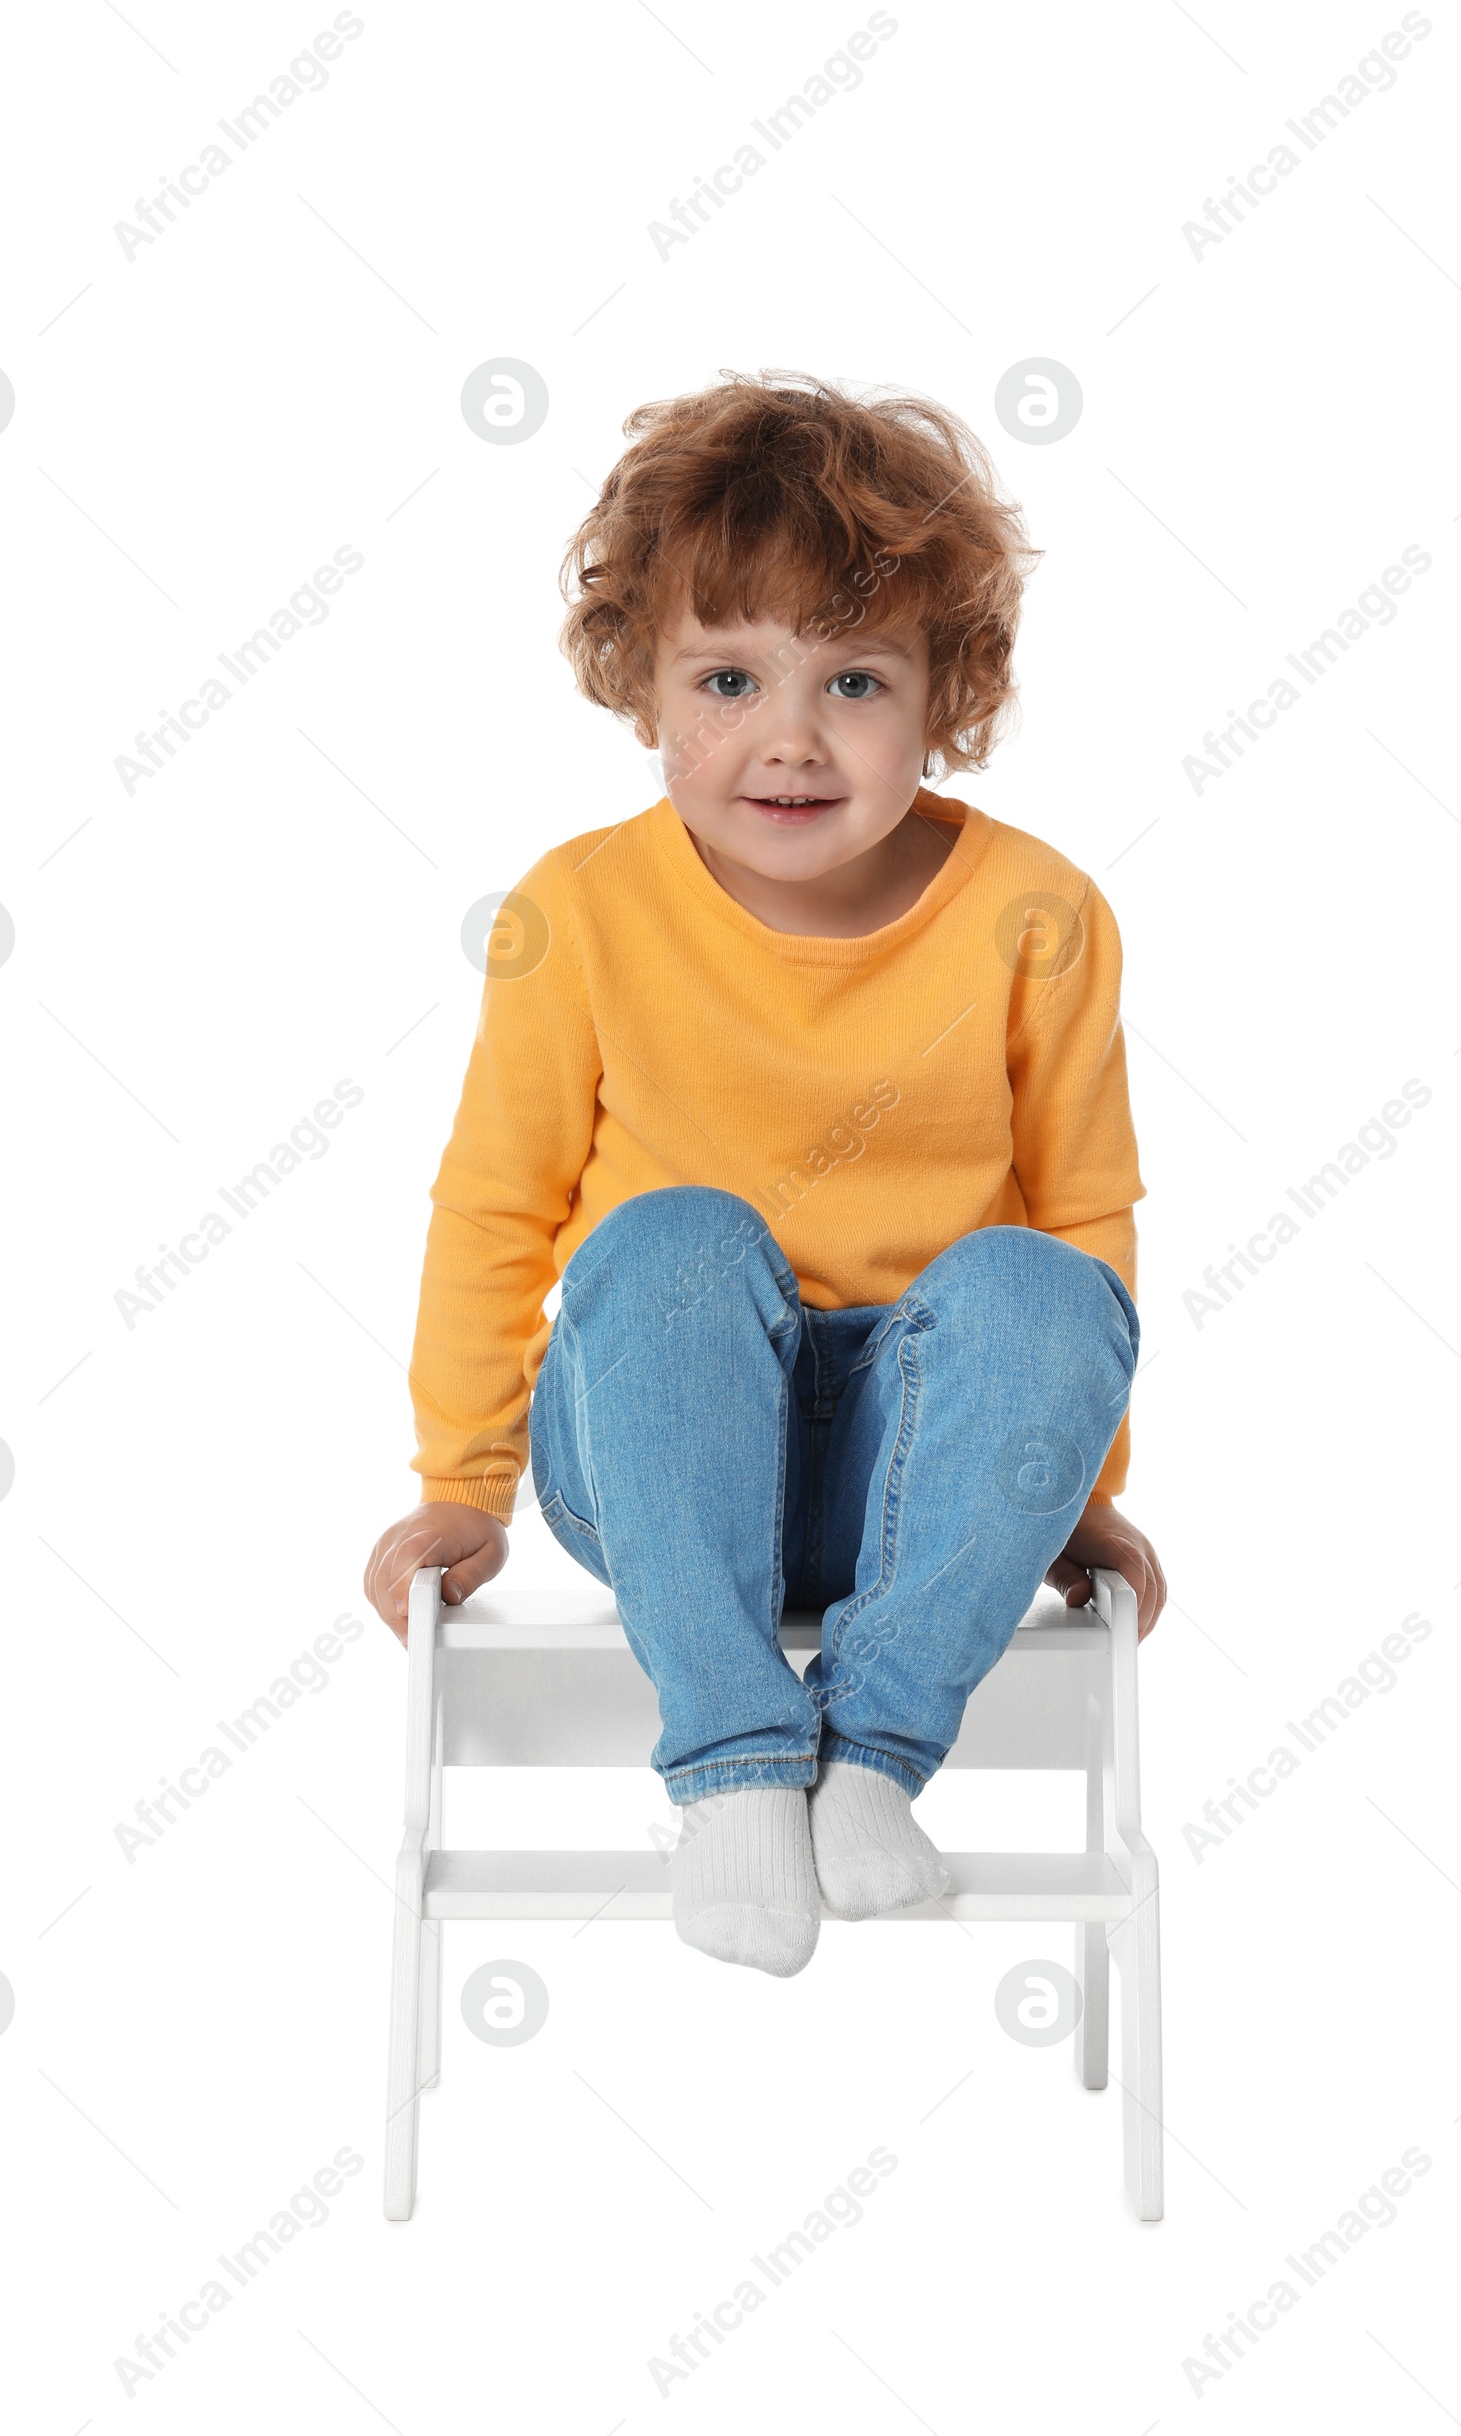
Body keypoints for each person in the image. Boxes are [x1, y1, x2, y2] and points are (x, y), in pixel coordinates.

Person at [364, 369, 1165, 1977]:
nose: (789, 742)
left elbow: (1086, 1211)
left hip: (920, 1452)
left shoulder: (1038, 911)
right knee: (673, 1238)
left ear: (946, 695)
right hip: (658, 1433)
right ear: (645, 690)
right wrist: (463, 1475)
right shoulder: (581, 909)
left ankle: (873, 1756)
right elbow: (499, 1202)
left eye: (855, 681)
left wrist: (1077, 1484)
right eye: (728, 679)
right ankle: (734, 1763)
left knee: (1036, 1278)